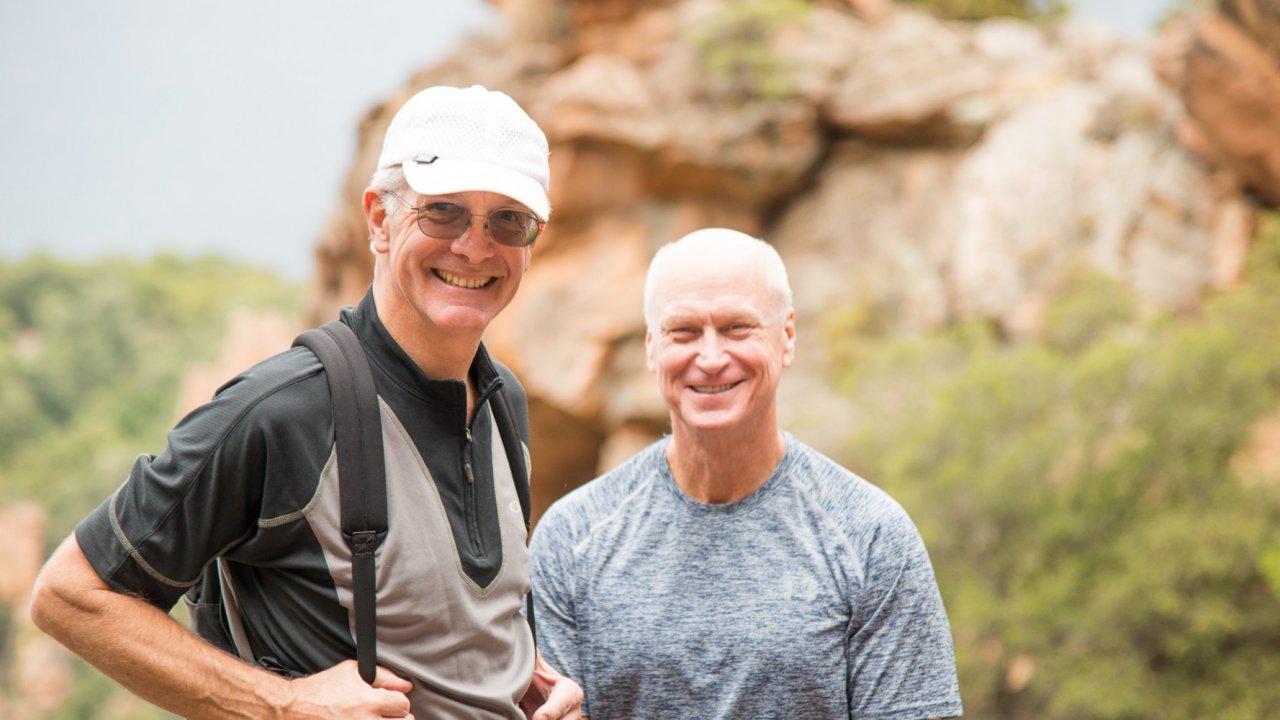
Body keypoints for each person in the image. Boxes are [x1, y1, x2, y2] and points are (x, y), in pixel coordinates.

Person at [29, 84, 582, 720]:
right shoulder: (286, 411)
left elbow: (447, 618)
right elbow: (70, 594)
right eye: (445, 212)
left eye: (508, 219)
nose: (476, 246)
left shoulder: (502, 400)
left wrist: (518, 671)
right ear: (378, 219)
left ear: (533, 240)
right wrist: (282, 704)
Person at [529, 228, 963, 719]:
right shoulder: (571, 540)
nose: (711, 358)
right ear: (652, 348)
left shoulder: (872, 538)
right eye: (684, 331)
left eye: (737, 327)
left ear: (788, 337)